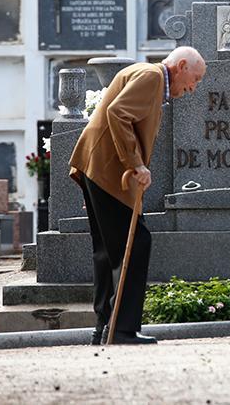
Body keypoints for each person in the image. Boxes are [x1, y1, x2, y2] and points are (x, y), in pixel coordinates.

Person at [69, 46, 207, 345]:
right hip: (109, 170)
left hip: (99, 169)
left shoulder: (146, 73)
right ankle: (122, 329)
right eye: (194, 78)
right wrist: (136, 164)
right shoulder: (153, 76)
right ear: (181, 65)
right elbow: (118, 114)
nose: (194, 87)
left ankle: (104, 327)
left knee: (107, 251)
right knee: (136, 245)